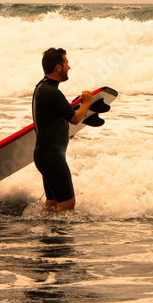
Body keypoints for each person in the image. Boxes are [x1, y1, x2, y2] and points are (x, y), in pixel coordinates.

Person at [32, 47, 92, 211]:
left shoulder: (42, 88)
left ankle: (47, 234)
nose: (69, 67)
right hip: (52, 158)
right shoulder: (51, 92)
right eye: (66, 63)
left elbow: (46, 119)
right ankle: (58, 236)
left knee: (52, 204)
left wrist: (62, 132)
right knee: (67, 204)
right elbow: (75, 118)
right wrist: (86, 102)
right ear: (58, 67)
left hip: (45, 156)